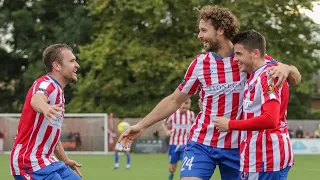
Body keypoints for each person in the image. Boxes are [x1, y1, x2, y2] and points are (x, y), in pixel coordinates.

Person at [119, 5, 301, 180]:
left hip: (238, 147)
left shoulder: (246, 59)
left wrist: (287, 68)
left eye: (204, 30)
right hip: (202, 142)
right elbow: (175, 100)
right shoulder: (199, 64)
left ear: (220, 30)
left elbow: (292, 78)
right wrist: (142, 125)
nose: (199, 36)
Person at [214, 30, 293, 180]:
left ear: (255, 54)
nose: (235, 59)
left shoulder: (268, 77)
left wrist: (230, 124)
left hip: (266, 158)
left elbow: (270, 119)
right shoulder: (256, 75)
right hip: (257, 158)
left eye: (239, 54)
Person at [10, 44, 82, 179]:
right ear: (57, 66)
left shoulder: (58, 91)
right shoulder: (46, 83)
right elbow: (36, 99)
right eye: (72, 61)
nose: (77, 65)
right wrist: (46, 108)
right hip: (29, 163)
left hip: (48, 161)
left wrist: (65, 160)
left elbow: (51, 133)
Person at [161, 99, 195, 180]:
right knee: (172, 168)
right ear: (180, 104)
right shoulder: (173, 114)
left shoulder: (191, 114)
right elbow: (163, 124)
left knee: (186, 166)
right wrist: (167, 131)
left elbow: (194, 126)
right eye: (184, 103)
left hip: (186, 144)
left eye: (188, 103)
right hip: (174, 143)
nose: (186, 106)